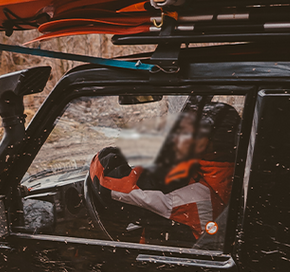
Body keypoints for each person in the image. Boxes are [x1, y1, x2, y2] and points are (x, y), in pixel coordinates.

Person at [87, 99, 240, 242]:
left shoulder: (195, 195)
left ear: (206, 143)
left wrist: (111, 154)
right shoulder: (234, 175)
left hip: (168, 266)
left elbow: (108, 183)